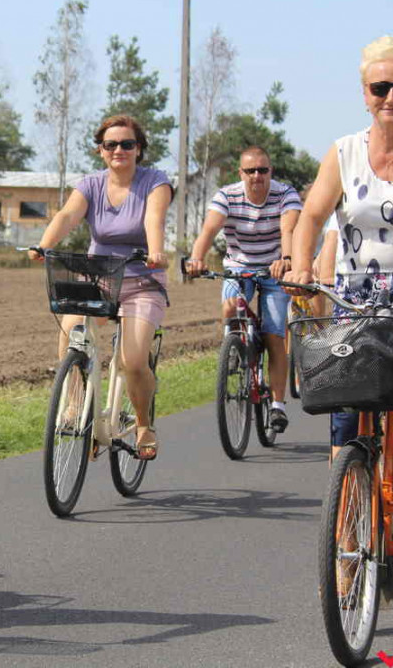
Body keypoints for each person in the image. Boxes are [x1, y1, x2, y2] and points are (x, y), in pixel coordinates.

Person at [30, 114, 172, 460]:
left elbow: (154, 218)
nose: (119, 150)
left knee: (134, 360)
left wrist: (155, 251)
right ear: (100, 150)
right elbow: (66, 215)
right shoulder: (91, 184)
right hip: (100, 277)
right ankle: (76, 406)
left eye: (127, 144)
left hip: (142, 279)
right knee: (71, 330)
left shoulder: (155, 182)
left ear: (139, 149)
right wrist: (44, 244)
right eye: (111, 144)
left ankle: (142, 424)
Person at [288, 34, 393, 458]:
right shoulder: (344, 153)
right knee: (346, 412)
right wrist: (301, 267)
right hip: (354, 300)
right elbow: (312, 215)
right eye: (379, 88)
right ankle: (346, 511)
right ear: (365, 96)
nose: (389, 97)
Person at [187, 146, 302, 433]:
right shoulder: (227, 195)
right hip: (238, 265)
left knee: (275, 334)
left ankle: (277, 405)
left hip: (275, 266)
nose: (257, 176)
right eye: (250, 171)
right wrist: (196, 258)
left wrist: (286, 260)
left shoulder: (285, 194)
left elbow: (288, 230)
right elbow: (209, 229)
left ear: (270, 171)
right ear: (241, 173)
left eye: (262, 170)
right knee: (230, 308)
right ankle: (237, 346)